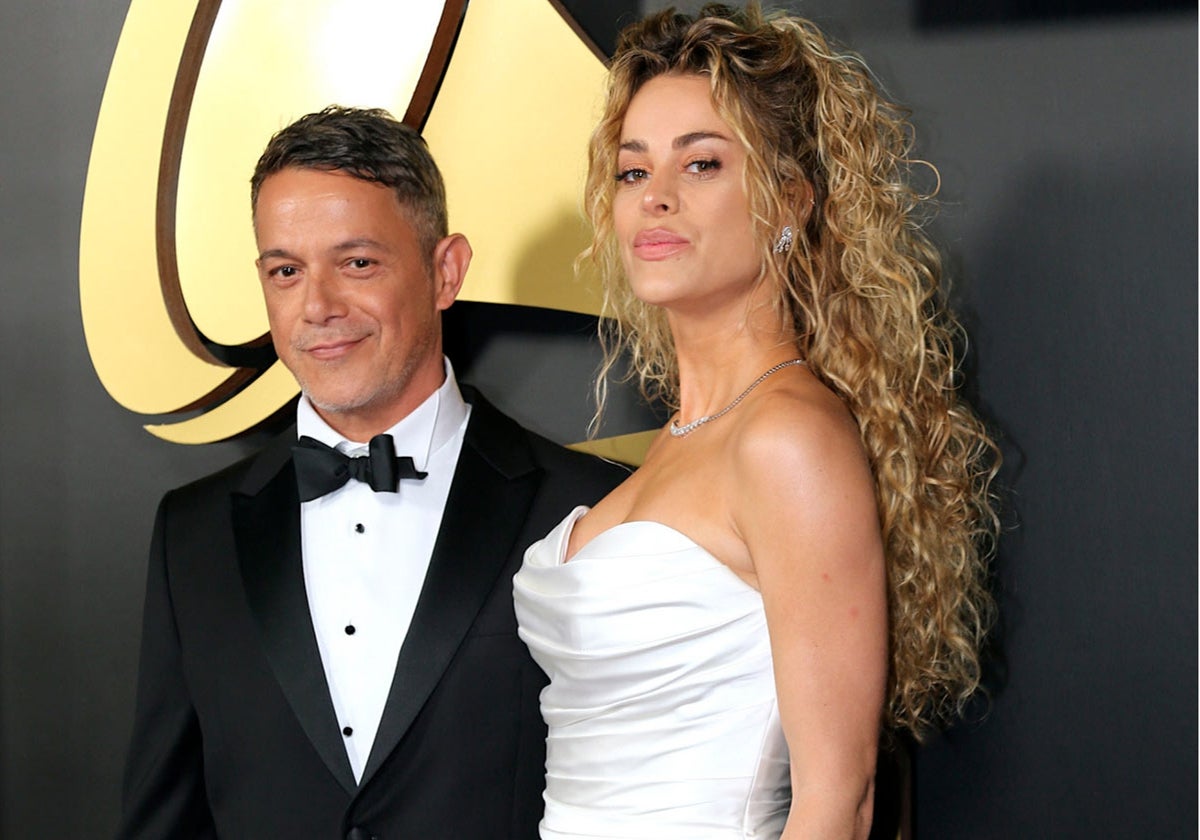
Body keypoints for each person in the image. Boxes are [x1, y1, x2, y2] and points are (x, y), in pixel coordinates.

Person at [513, 5, 1000, 839]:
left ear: (788, 202)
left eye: (701, 164)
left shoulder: (787, 439)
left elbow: (836, 802)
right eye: (633, 173)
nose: (656, 198)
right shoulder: (687, 439)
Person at [117, 106, 627, 839]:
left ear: (444, 271)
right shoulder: (190, 535)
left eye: (357, 263)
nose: (317, 306)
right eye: (287, 271)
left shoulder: (590, 510)